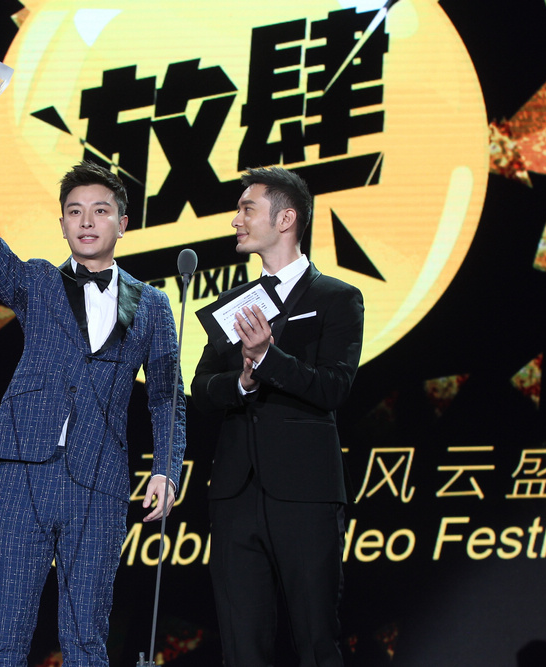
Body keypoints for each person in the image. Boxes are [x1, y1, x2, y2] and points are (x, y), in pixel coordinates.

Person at [0, 93, 187, 666]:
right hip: (23, 471)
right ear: (61, 224)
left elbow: (166, 398)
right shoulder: (36, 282)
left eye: (100, 211)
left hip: (100, 479)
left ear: (122, 223)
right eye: (75, 211)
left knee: (86, 638)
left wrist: (165, 469)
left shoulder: (152, 305)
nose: (86, 221)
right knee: (5, 635)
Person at [191, 167, 364, 667]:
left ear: (286, 219)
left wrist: (269, 358)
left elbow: (334, 387)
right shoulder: (233, 305)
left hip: (305, 493)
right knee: (241, 648)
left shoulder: (337, 298)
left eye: (247, 209)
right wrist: (243, 382)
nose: (235, 220)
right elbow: (201, 389)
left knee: (316, 643)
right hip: (235, 495)